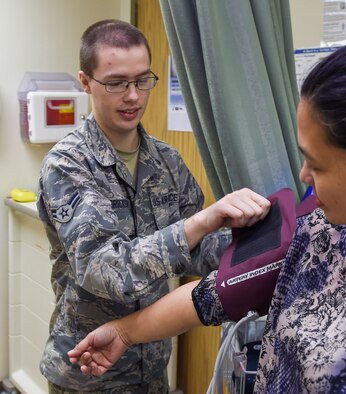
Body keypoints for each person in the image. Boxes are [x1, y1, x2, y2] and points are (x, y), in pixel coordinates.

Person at [68, 36, 346, 393]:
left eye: (318, 165)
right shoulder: (326, 232)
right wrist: (124, 332)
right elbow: (213, 294)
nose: (304, 176)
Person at [37, 19, 271, 394]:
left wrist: (264, 243)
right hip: (89, 373)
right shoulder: (67, 165)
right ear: (86, 82)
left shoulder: (167, 161)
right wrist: (202, 221)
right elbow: (104, 270)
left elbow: (196, 253)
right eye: (116, 83)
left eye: (142, 79)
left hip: (151, 366)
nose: (133, 96)